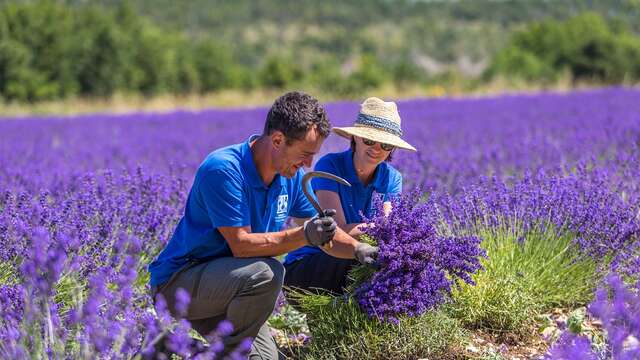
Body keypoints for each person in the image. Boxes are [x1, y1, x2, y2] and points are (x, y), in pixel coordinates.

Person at [147, 91, 377, 359]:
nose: (308, 164)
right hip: (181, 285)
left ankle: (169, 346)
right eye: (304, 154)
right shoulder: (224, 170)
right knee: (267, 273)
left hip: (234, 289)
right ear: (278, 140)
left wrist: (359, 249)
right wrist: (304, 235)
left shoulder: (291, 177)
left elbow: (326, 234)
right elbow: (241, 246)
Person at [283, 97, 417, 296]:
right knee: (366, 261)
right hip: (310, 264)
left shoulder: (391, 178)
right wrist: (381, 228)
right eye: (369, 140)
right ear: (355, 138)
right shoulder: (330, 166)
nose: (377, 149)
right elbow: (336, 231)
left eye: (386, 145)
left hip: (358, 255)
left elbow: (390, 228)